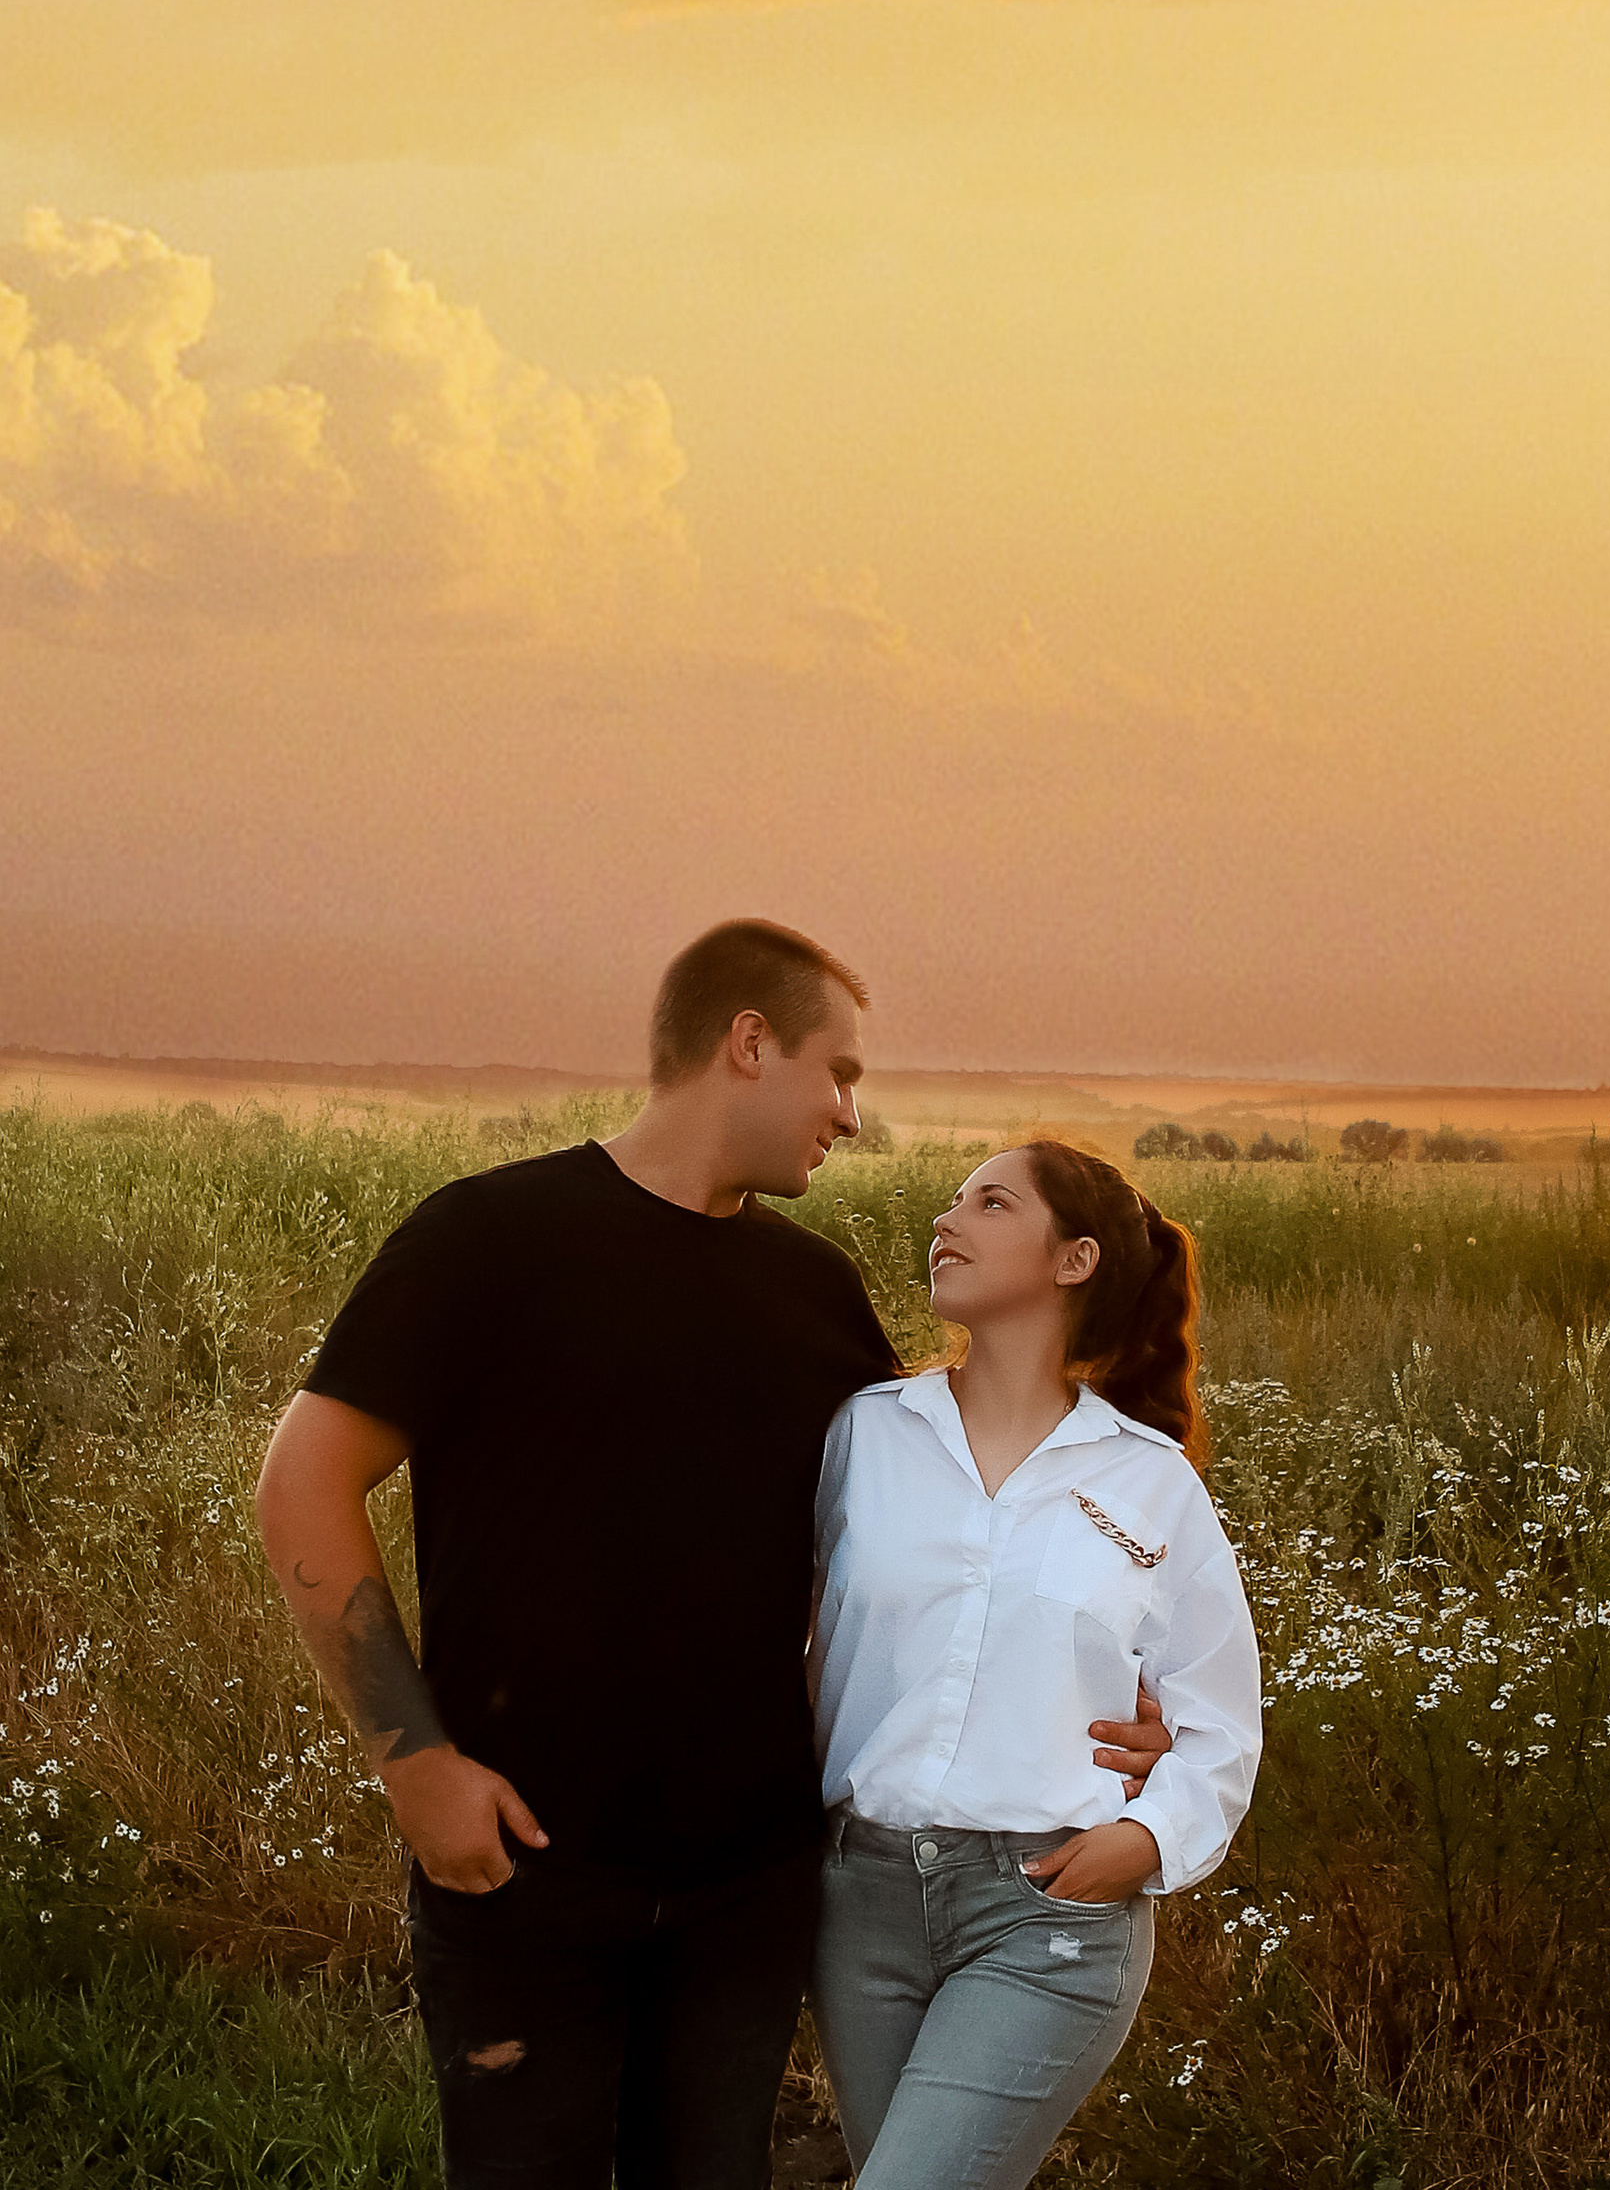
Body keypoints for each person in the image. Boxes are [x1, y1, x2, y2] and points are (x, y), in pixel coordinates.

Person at [253, 925, 1168, 2190]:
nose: (850, 1115)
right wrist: (412, 1762)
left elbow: (941, 1547)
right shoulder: (487, 1238)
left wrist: (1125, 1698)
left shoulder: (815, 1292)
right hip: (524, 1868)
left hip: (752, 1882)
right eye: (836, 1073)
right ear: (749, 1043)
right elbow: (301, 1485)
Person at [809, 1141, 1262, 2190]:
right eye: (952, 1201)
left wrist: (1147, 1838)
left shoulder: (1148, 1483)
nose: (945, 1220)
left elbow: (1220, 1716)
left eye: (990, 1202)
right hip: (857, 1903)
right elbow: (795, 1636)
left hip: (1044, 1915)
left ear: (1074, 1260)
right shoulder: (866, 1434)